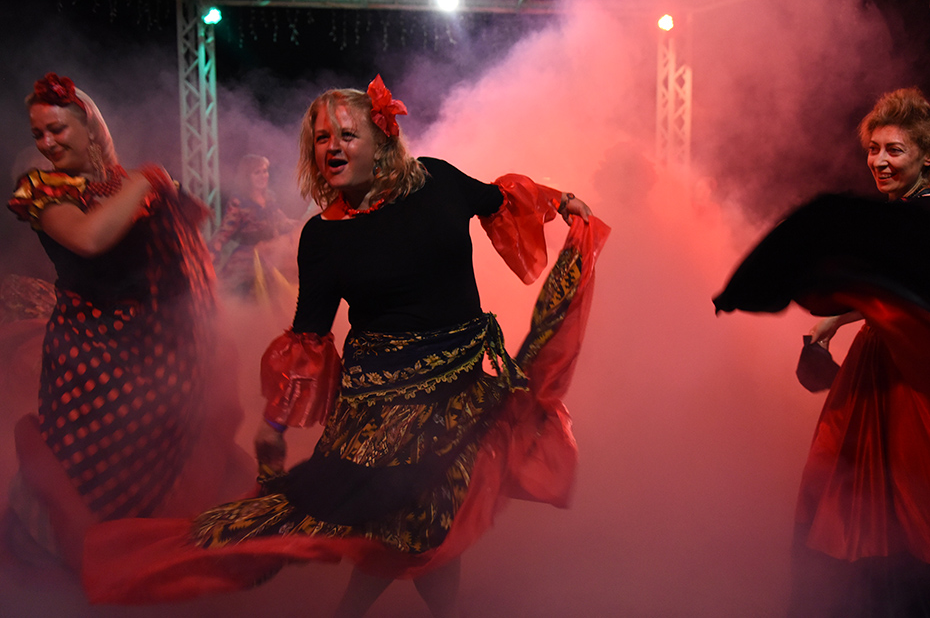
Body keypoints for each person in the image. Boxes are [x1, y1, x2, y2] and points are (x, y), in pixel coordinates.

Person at [83, 75, 609, 617]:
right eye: (321, 138)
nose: (332, 146)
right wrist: (275, 423)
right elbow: (309, 337)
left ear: (381, 141)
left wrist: (562, 200)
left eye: (347, 135)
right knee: (402, 517)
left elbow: (500, 198)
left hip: (460, 387)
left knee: (429, 516)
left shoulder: (439, 180)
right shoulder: (323, 236)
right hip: (380, 407)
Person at [714, 88, 930, 616]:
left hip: (917, 393)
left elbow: (913, 282)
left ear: (929, 157)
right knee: (876, 514)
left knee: (912, 518)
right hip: (887, 375)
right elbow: (896, 281)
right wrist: (837, 317)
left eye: (894, 150)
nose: (879, 161)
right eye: (873, 149)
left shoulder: (928, 218)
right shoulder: (911, 221)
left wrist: (823, 301)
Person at [5, 73, 251, 573]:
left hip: (150, 353)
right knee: (92, 475)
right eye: (38, 134)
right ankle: (90, 572)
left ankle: (158, 574)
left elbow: (180, 253)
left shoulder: (125, 185)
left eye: (57, 129)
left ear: (90, 127)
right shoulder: (43, 190)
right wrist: (149, 180)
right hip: (89, 361)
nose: (47, 143)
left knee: (180, 449)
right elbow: (90, 239)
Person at [209, 154, 299, 299]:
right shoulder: (238, 201)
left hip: (271, 256)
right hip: (248, 261)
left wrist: (306, 223)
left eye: (265, 171)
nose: (263, 176)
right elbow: (224, 232)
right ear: (247, 177)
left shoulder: (269, 197)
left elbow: (282, 221)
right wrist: (211, 254)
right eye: (257, 172)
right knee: (239, 299)